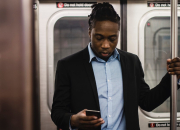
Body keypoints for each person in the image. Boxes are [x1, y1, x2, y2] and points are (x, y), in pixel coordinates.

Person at [51, 2, 180, 130]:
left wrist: (173, 77)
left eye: (112, 39)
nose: (106, 45)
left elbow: (147, 102)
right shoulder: (68, 66)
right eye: (99, 38)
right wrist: (73, 120)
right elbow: (57, 112)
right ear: (90, 32)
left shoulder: (131, 62)